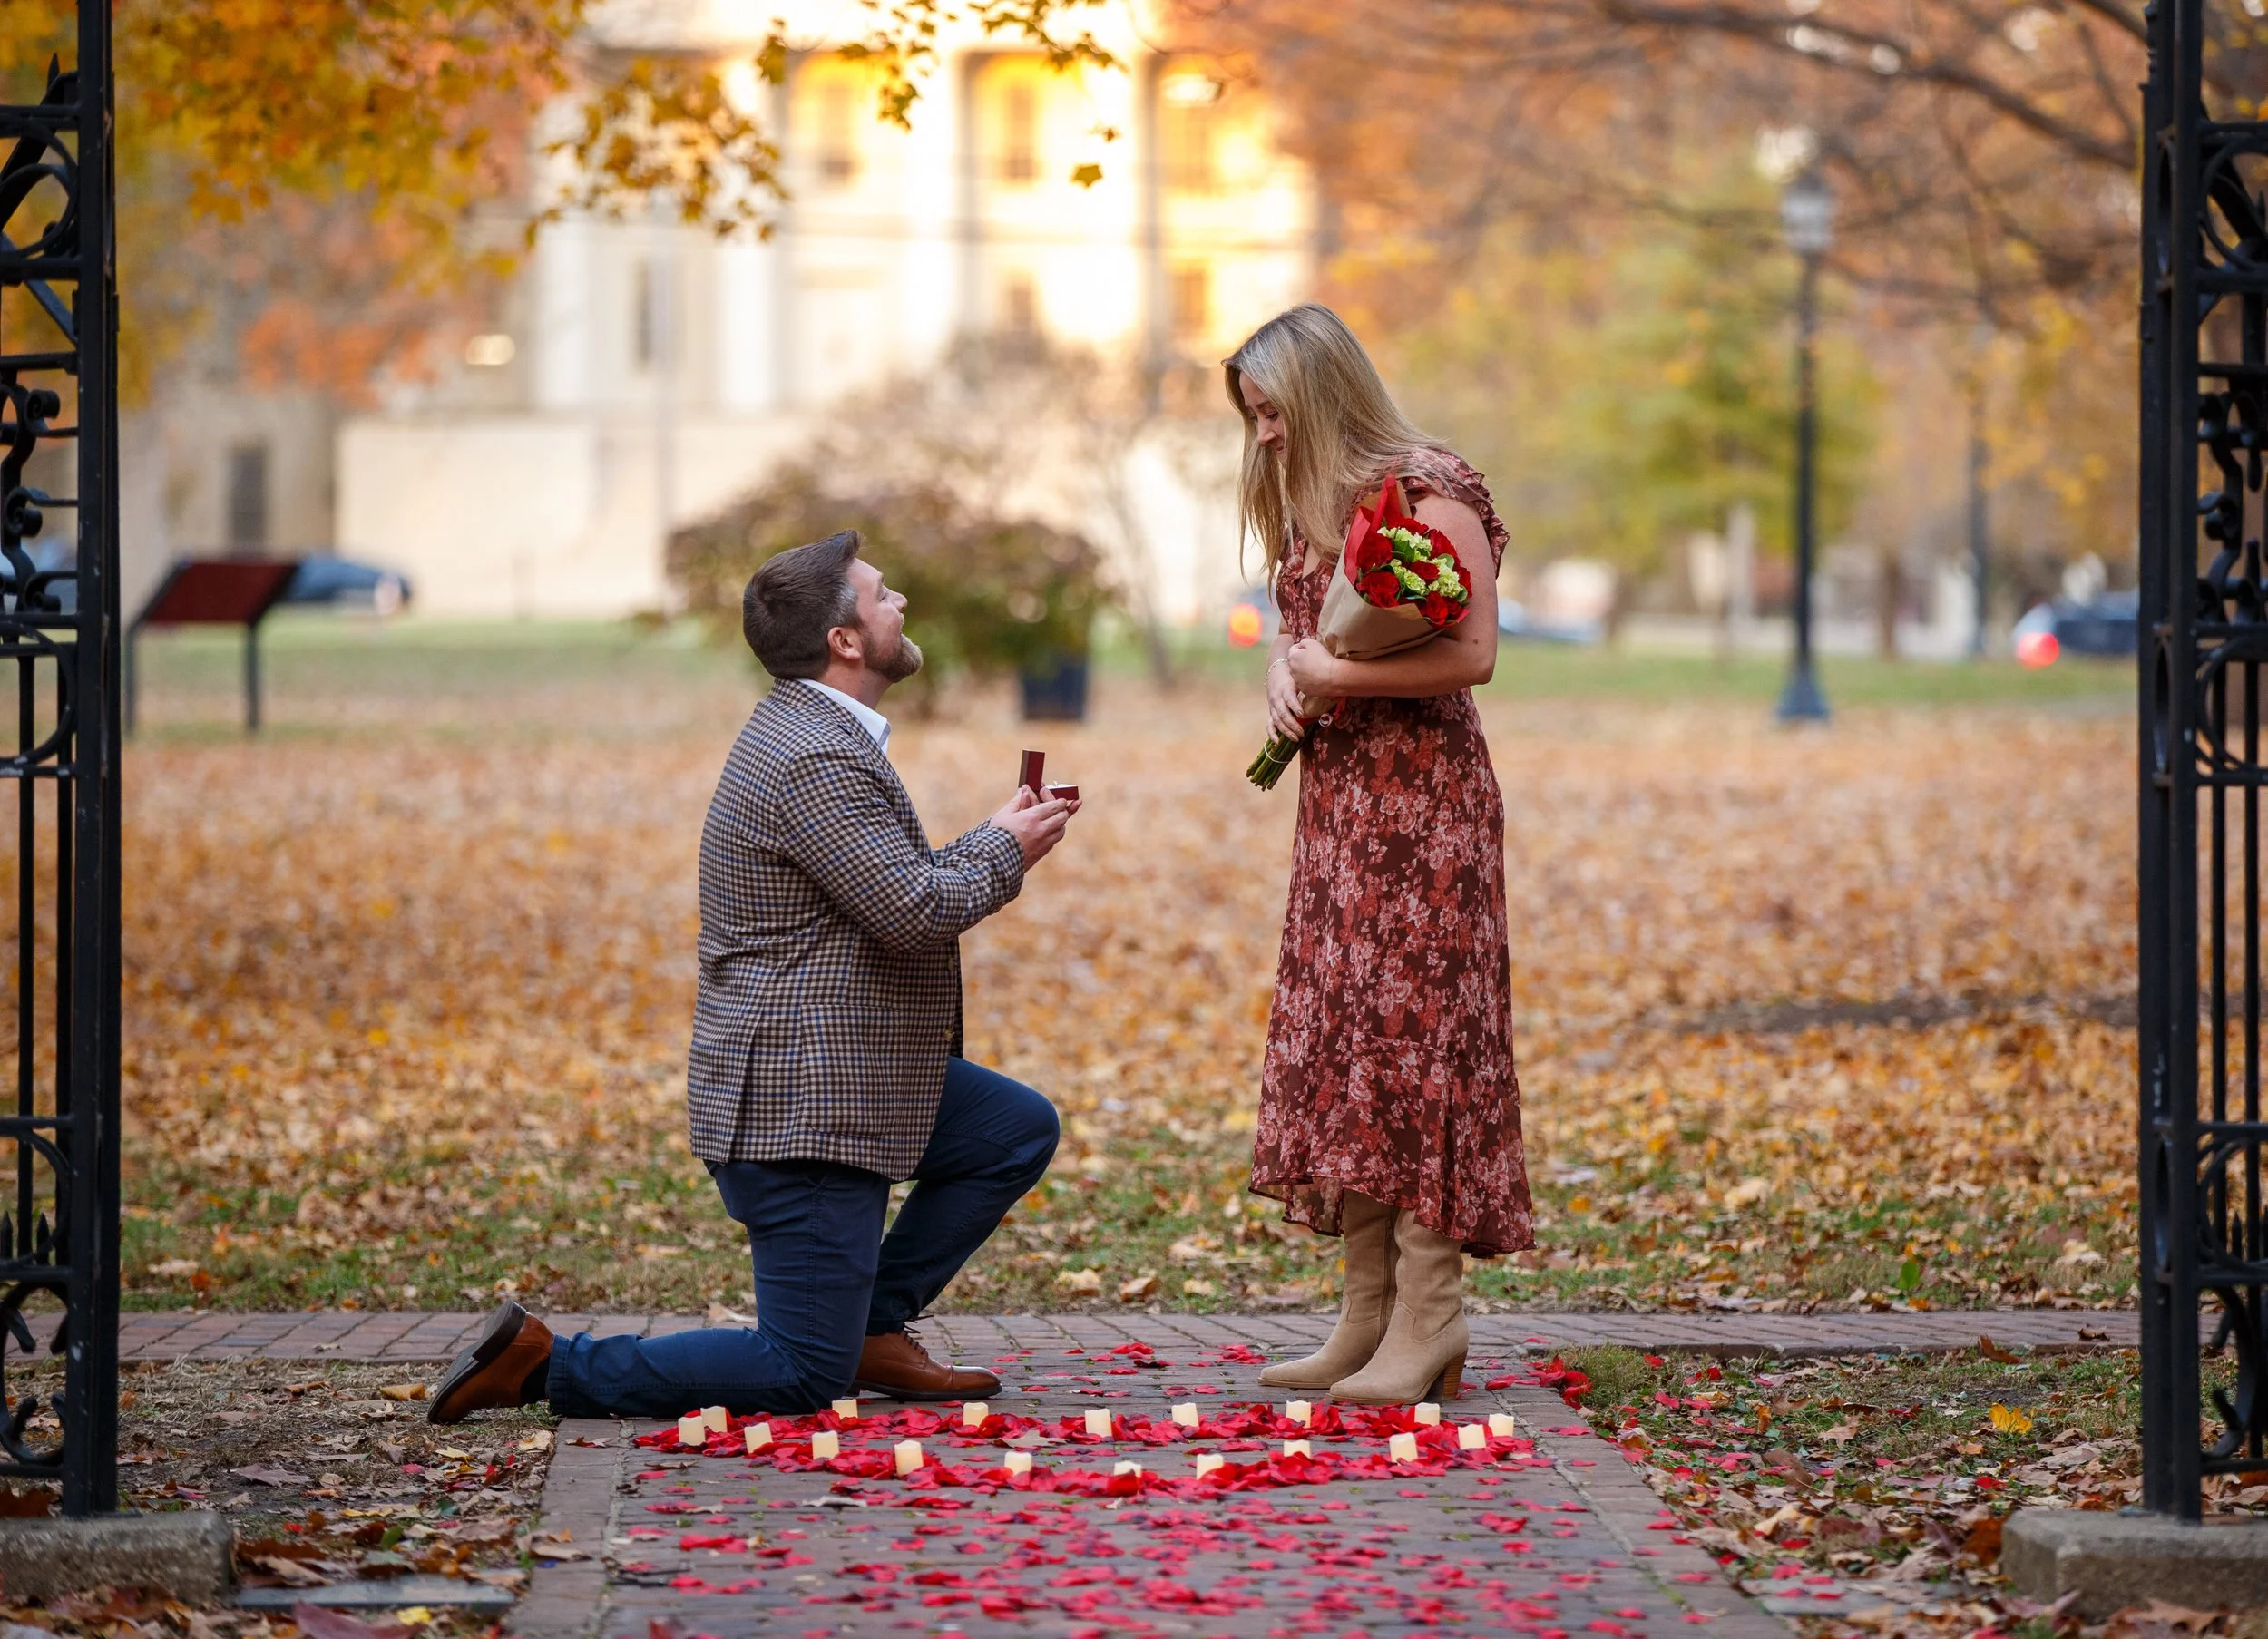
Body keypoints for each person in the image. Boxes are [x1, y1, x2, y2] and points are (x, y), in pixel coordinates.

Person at [426, 529, 1078, 1423]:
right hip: (799, 1103)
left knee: (1010, 1127)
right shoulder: (815, 756)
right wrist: (1008, 849)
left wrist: (993, 837)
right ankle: (546, 1363)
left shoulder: (816, 732)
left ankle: (873, 1323)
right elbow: (914, 911)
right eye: (883, 595)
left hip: (847, 1072)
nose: (902, 606)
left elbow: (892, 884)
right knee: (799, 1371)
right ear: (845, 639)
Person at [1230, 304, 1534, 1405]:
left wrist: (1329, 675)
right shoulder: (1316, 501)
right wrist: (1285, 671)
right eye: (1255, 417)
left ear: (1321, 394)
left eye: (1273, 411)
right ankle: (1364, 1318)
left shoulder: (1428, 487)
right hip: (1342, 812)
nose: (1263, 434)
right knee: (1351, 1046)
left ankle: (1428, 1318)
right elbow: (1302, 630)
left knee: (1416, 1049)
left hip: (1427, 817)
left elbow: (1476, 653)